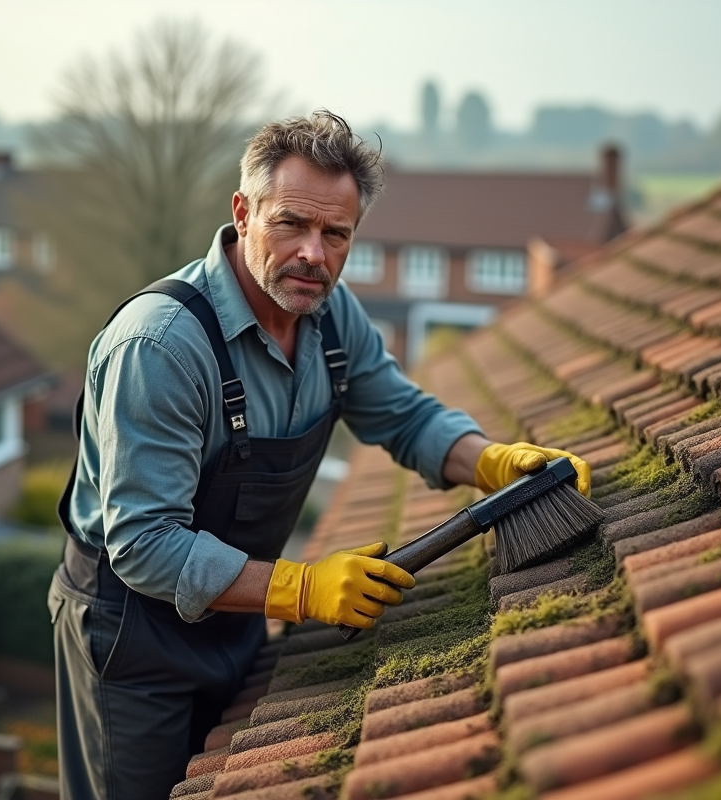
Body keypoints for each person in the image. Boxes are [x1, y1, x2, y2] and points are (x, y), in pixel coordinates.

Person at [49, 110, 592, 800]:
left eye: (336, 234)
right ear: (243, 213)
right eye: (291, 225)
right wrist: (301, 589)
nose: (314, 252)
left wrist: (491, 461)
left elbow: (404, 414)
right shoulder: (159, 348)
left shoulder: (333, 319)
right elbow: (144, 542)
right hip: (130, 636)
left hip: (234, 618)